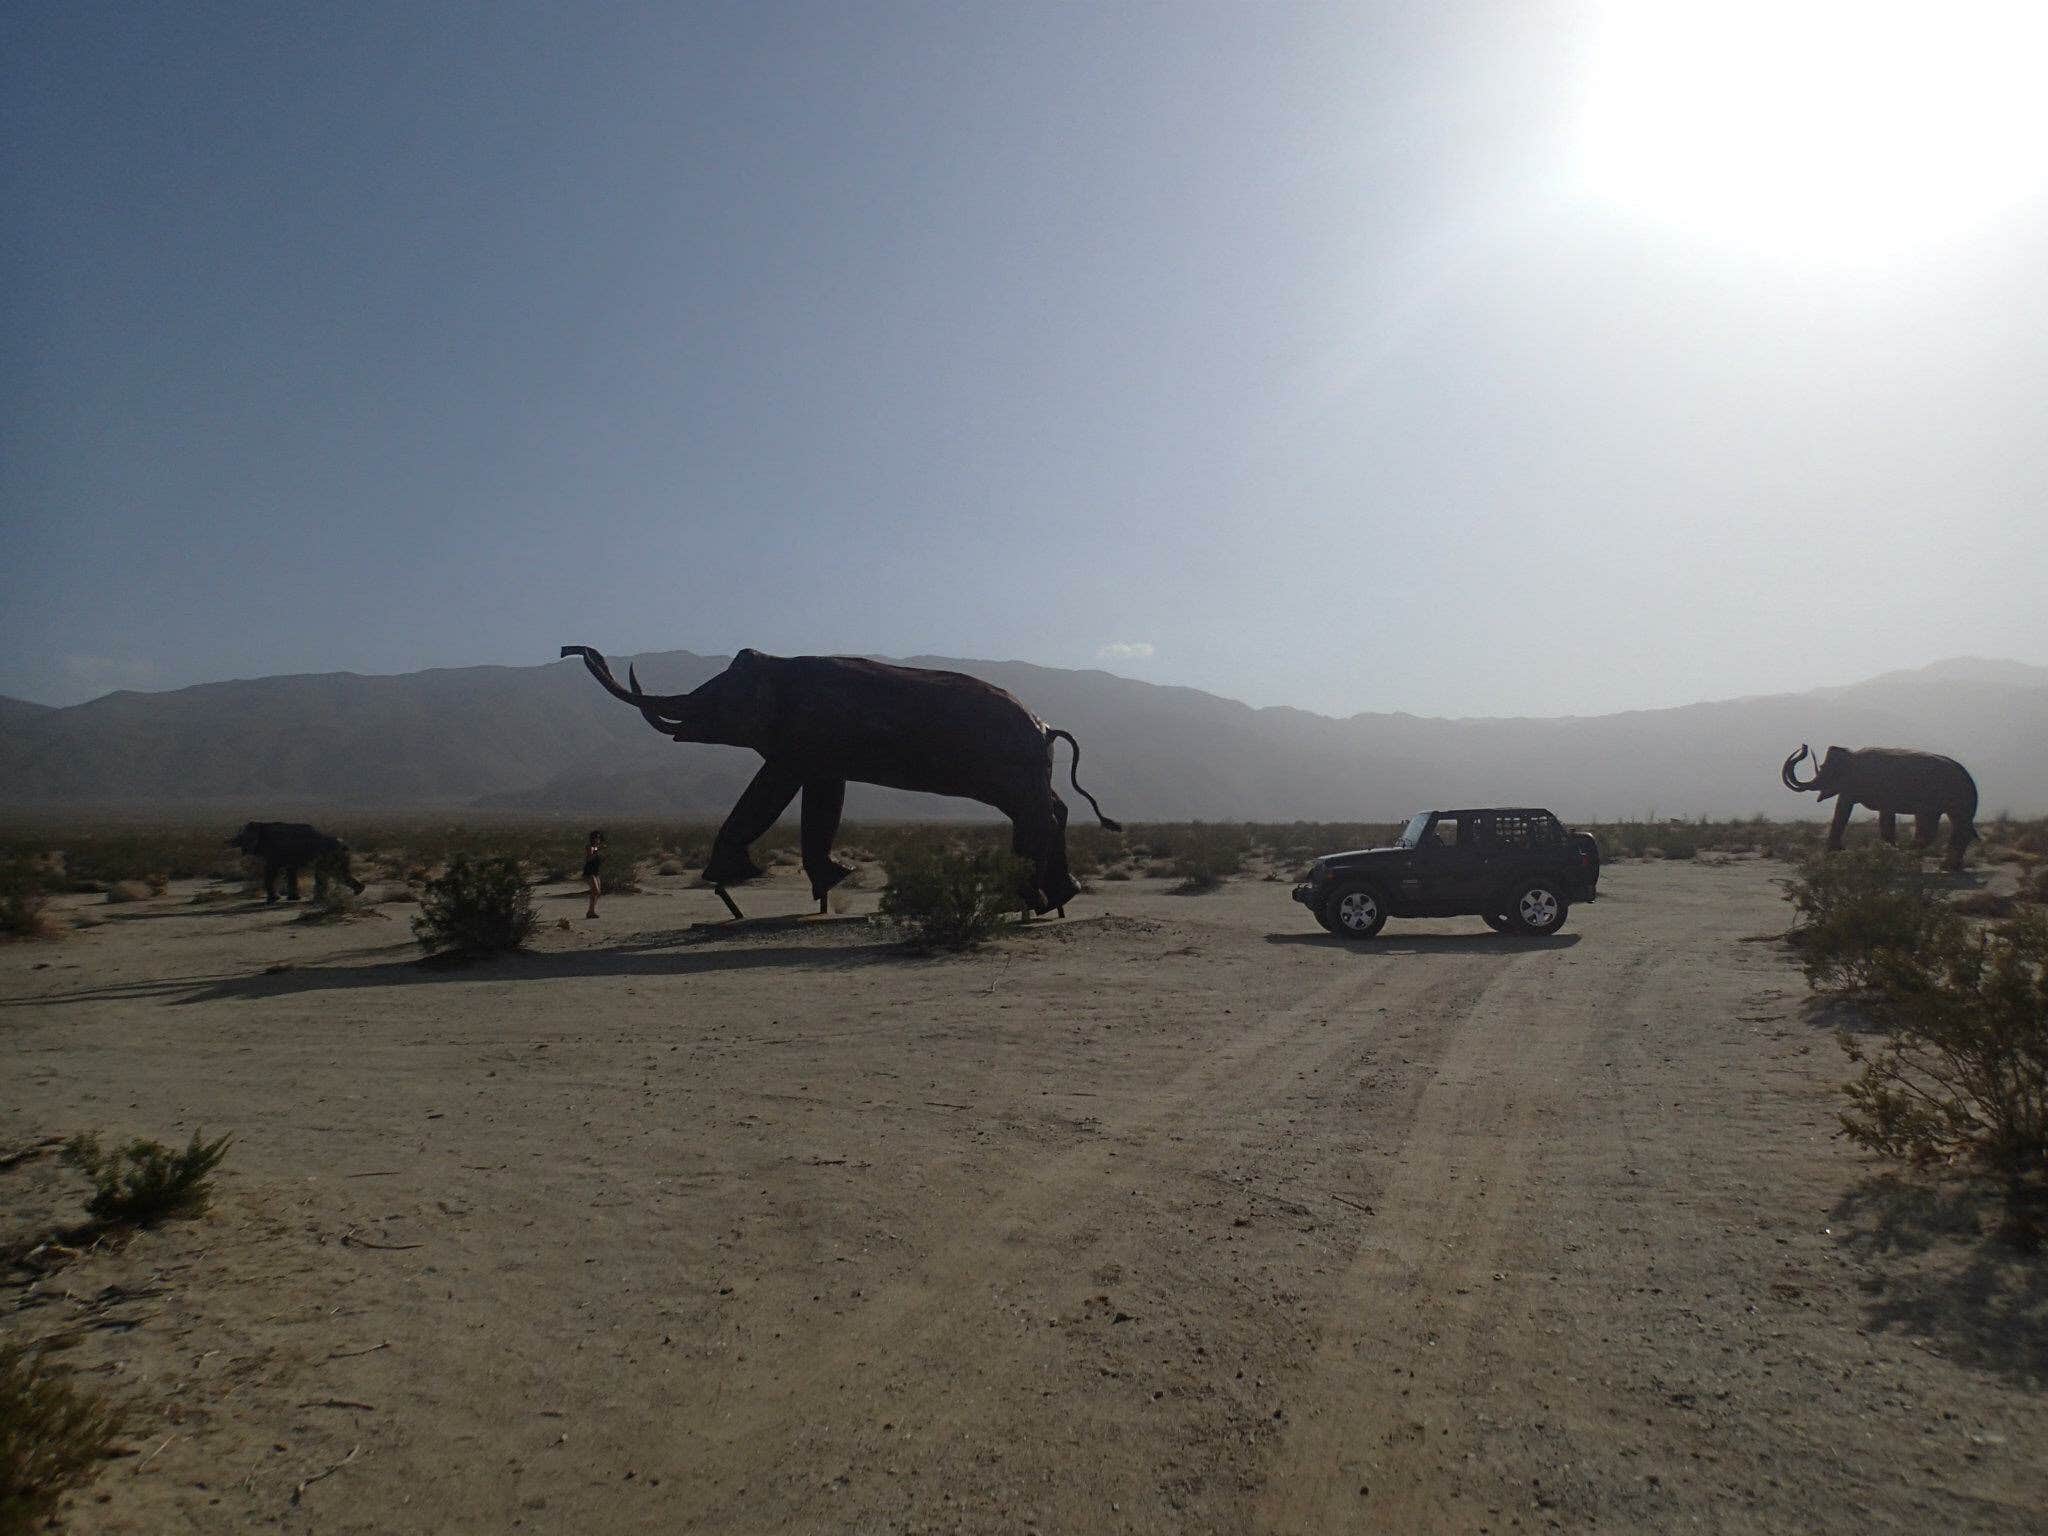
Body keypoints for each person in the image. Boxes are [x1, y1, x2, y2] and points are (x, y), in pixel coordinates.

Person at [582, 829, 605, 919]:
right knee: (595, 890)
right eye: (595, 837)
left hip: (596, 872)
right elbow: (589, 859)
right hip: (589, 872)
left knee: (597, 892)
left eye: (598, 838)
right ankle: (591, 911)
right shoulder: (590, 847)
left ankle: (591, 911)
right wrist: (597, 851)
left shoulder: (597, 847)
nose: (597, 839)